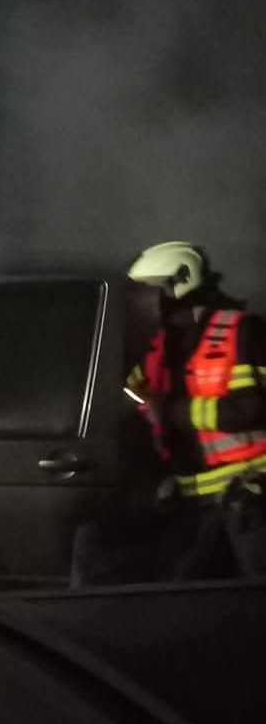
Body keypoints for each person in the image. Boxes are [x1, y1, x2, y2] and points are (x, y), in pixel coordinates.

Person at [97, 241, 266, 581]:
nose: (141, 302)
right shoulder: (162, 346)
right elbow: (133, 396)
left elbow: (250, 410)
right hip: (192, 502)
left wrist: (173, 412)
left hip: (250, 497)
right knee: (182, 593)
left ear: (180, 284)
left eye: (149, 292)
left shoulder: (241, 332)